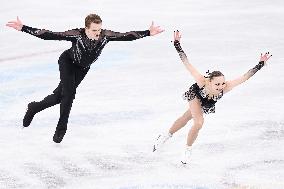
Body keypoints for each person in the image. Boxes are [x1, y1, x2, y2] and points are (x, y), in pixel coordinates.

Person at [6, 14, 164, 143]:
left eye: (99, 29)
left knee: (58, 98)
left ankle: (34, 107)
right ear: (86, 28)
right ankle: (61, 130)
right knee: (69, 95)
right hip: (67, 63)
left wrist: (148, 32)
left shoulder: (105, 36)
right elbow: (49, 35)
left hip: (82, 69)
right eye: (94, 30)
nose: (98, 33)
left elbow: (127, 36)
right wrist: (24, 28)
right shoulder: (77, 35)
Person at [153, 30, 272, 164]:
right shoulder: (202, 81)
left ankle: (165, 135)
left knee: (186, 118)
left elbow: (245, 77)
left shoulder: (226, 86)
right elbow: (187, 63)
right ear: (210, 81)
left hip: (207, 102)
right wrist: (177, 44)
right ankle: (187, 149)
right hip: (195, 95)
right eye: (217, 83)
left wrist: (260, 64)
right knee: (198, 123)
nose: (221, 86)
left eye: (222, 82)